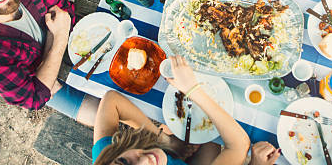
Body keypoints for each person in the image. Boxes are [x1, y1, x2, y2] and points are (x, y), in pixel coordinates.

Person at [92, 55, 250, 164]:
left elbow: (111, 100)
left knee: (195, 131)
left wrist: (164, 140)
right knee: (211, 135)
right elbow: (239, 145)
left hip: (172, 148)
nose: (147, 160)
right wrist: (192, 89)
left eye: (125, 162)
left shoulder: (105, 159)